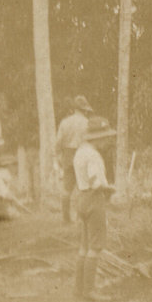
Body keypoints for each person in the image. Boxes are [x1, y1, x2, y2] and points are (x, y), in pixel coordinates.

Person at [73, 116, 118, 301]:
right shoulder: (93, 155)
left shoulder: (80, 152)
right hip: (93, 198)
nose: (107, 141)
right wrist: (110, 188)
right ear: (96, 138)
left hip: (82, 197)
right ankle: (89, 290)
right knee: (95, 246)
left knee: (84, 246)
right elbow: (95, 181)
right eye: (105, 137)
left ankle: (79, 289)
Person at [55, 95, 93, 223]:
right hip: (82, 152)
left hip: (67, 154)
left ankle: (66, 218)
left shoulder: (65, 122)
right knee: (83, 187)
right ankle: (81, 217)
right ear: (84, 109)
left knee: (67, 188)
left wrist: (59, 156)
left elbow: (58, 142)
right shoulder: (87, 123)